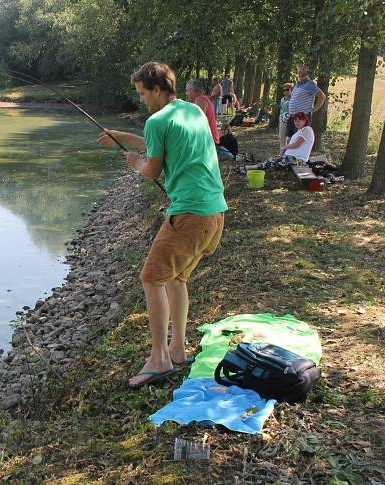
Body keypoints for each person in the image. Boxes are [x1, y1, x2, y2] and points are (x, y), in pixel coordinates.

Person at [97, 62, 227, 387]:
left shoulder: (157, 121)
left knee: (151, 277)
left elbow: (151, 170)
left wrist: (134, 161)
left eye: (143, 93)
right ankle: (178, 350)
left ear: (157, 90)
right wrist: (125, 137)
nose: (141, 99)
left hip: (190, 215)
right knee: (176, 277)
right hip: (215, 213)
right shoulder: (192, 110)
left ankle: (159, 359)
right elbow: (169, 142)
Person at [185, 79, 234, 162]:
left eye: (187, 91)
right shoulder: (202, 99)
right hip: (208, 139)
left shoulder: (200, 100)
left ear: (193, 91)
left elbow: (198, 123)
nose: (186, 93)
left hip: (208, 140)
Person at [245, 111, 314, 170]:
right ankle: (252, 167)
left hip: (298, 160)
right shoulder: (300, 131)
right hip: (291, 158)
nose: (297, 122)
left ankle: (250, 168)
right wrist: (284, 151)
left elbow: (297, 144)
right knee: (273, 160)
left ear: (305, 120)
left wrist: (284, 147)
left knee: (272, 161)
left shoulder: (307, 129)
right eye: (295, 120)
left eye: (299, 120)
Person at [286, 66, 325, 140]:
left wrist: (315, 109)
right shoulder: (297, 84)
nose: (300, 74)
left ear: (307, 73)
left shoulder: (310, 84)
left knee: (298, 140)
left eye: (303, 73)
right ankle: (289, 152)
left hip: (302, 117)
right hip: (292, 116)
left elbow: (322, 96)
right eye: (299, 72)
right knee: (290, 139)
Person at [278, 82, 293, 149]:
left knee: (290, 138)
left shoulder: (293, 99)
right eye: (284, 90)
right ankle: (282, 152)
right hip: (282, 120)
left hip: (291, 121)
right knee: (282, 137)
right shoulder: (282, 99)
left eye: (287, 89)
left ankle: (290, 153)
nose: (285, 91)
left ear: (291, 90)